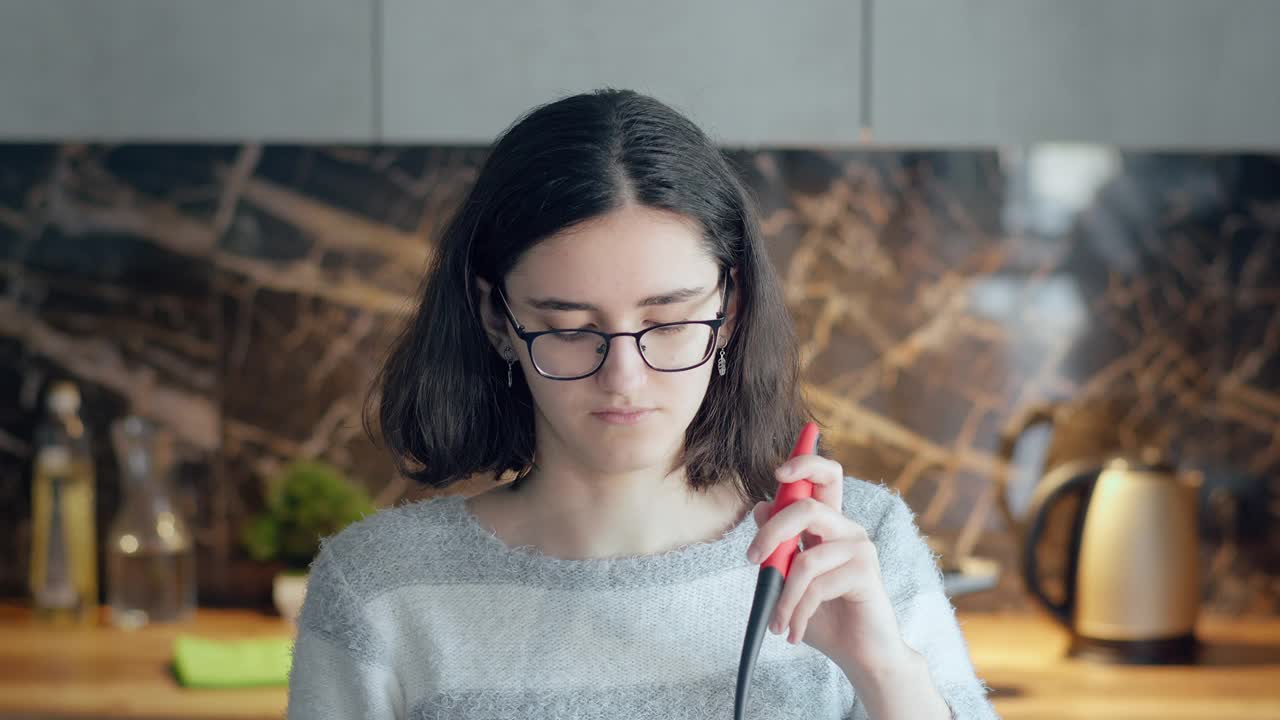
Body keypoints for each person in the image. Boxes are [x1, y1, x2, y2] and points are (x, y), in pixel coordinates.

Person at [285, 89, 998, 720]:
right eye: (569, 328)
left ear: (732, 308)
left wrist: (882, 669)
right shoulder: (378, 590)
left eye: (669, 322)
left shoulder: (859, 549)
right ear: (497, 319)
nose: (624, 377)